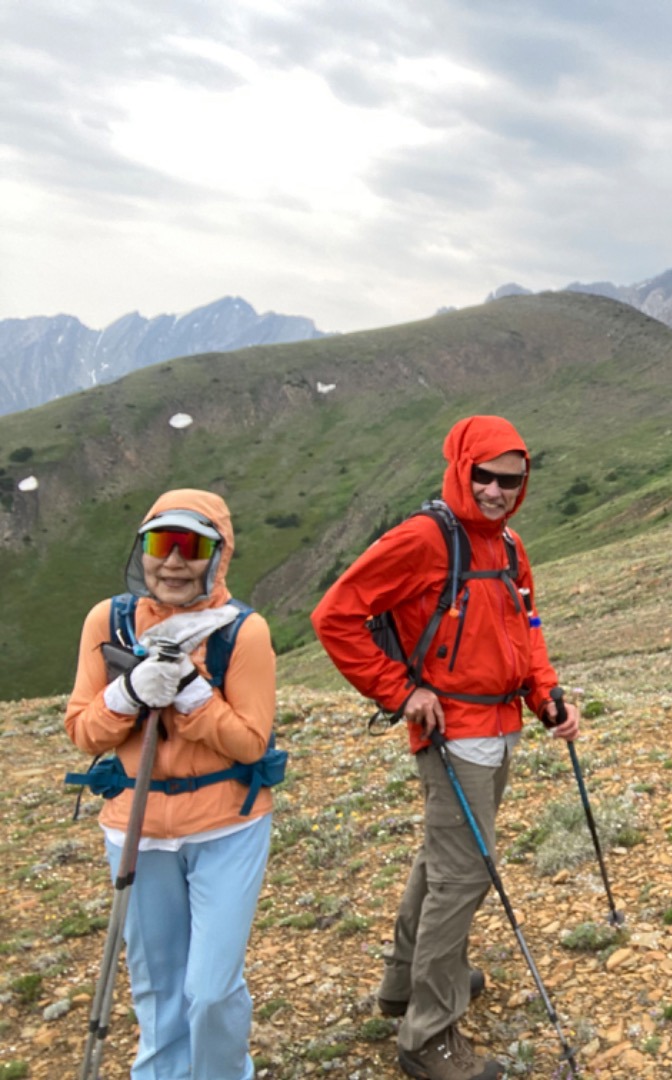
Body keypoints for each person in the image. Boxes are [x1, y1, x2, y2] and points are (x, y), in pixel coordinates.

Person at [311, 415, 579, 1080]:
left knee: (445, 861)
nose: (495, 491)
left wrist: (545, 694)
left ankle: (405, 984)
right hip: (454, 735)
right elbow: (335, 616)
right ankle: (427, 1036)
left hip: (499, 727)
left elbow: (527, 628)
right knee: (464, 876)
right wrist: (399, 691)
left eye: (510, 480)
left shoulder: (508, 546)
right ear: (461, 468)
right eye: (483, 476)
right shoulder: (424, 539)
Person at [65, 489, 277, 1079]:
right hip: (135, 829)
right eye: (162, 543)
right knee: (158, 987)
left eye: (193, 546)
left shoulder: (243, 632)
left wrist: (191, 691)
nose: (175, 561)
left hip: (227, 826)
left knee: (209, 990)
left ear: (219, 555)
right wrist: (127, 694)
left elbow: (251, 743)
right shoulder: (108, 622)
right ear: (143, 550)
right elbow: (83, 730)